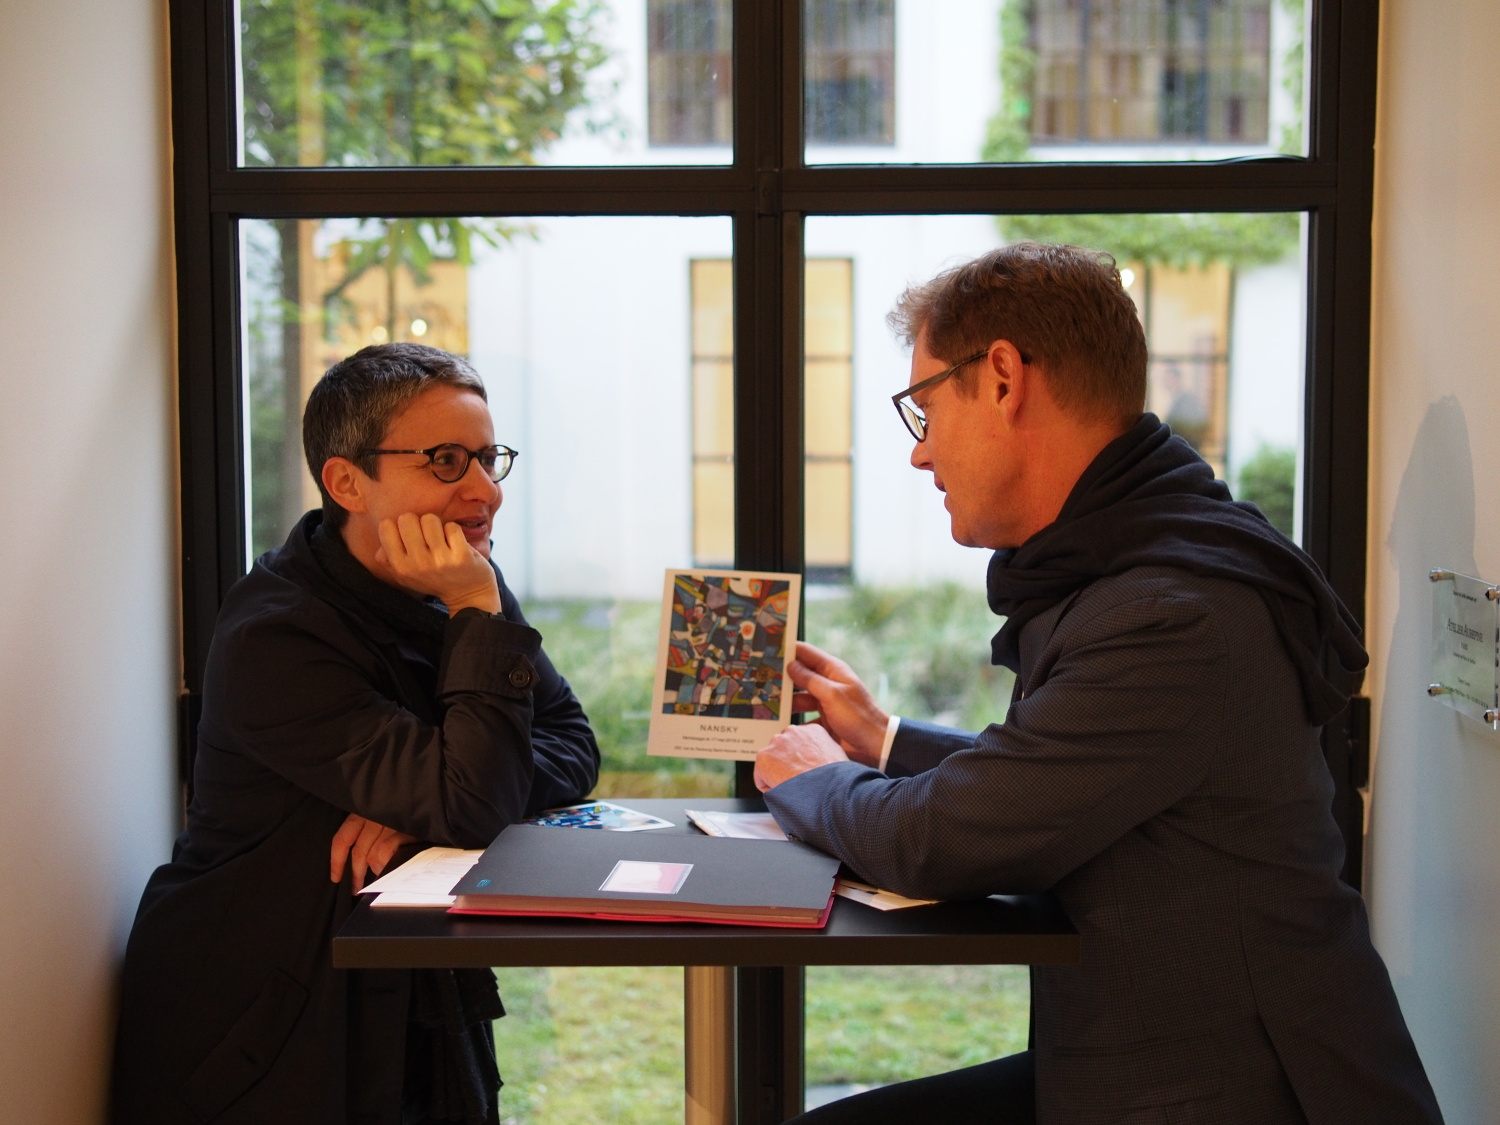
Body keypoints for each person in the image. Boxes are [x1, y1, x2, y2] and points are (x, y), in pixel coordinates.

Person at [754, 244, 1443, 1124]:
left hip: (1240, 1089)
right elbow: (1057, 776)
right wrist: (882, 739)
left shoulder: (1166, 614)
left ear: (1003, 380)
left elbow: (940, 839)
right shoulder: (1156, 554)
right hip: (1166, 1060)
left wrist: (814, 776)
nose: (920, 454)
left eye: (924, 409)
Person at [111, 343, 600, 1125]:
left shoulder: (463, 581)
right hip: (264, 1025)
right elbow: (474, 801)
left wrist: (428, 806)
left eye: (488, 458)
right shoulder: (277, 635)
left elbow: (572, 742)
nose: (486, 491)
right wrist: (447, 791)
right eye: (447, 461)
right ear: (346, 482)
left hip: (406, 988)